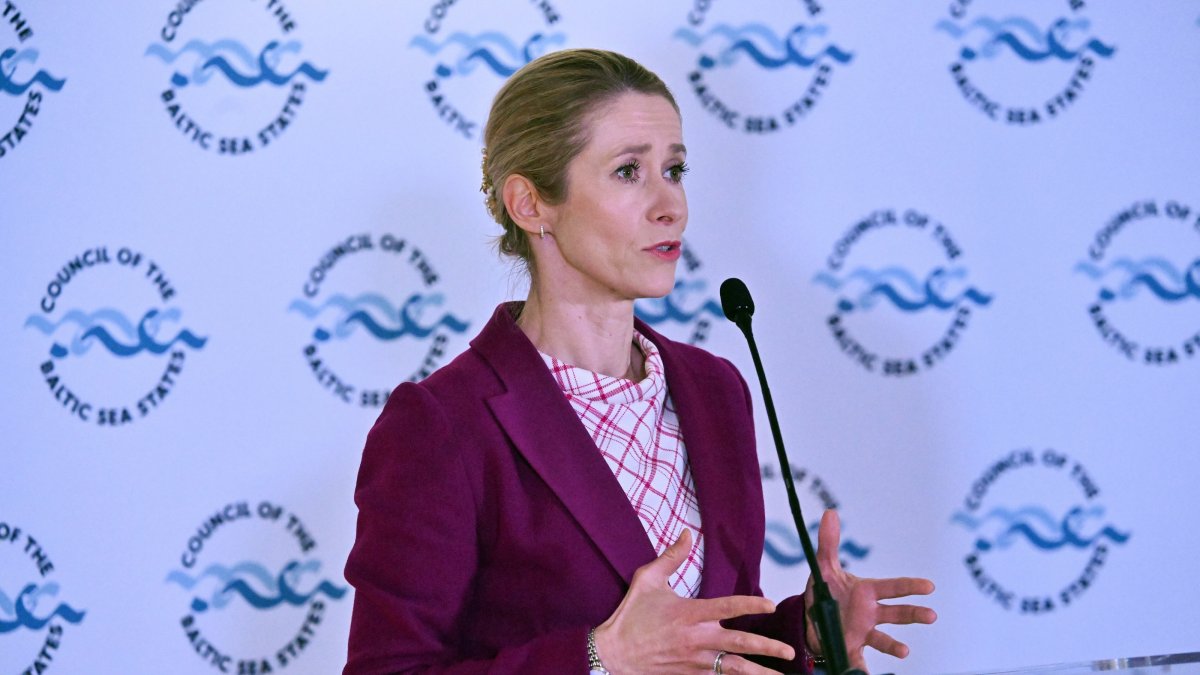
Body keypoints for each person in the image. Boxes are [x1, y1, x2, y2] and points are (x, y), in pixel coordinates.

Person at [343, 48, 935, 674]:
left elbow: (708, 636)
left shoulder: (714, 387)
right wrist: (598, 659)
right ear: (530, 204)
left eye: (675, 169)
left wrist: (807, 633)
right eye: (629, 172)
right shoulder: (444, 423)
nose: (670, 205)